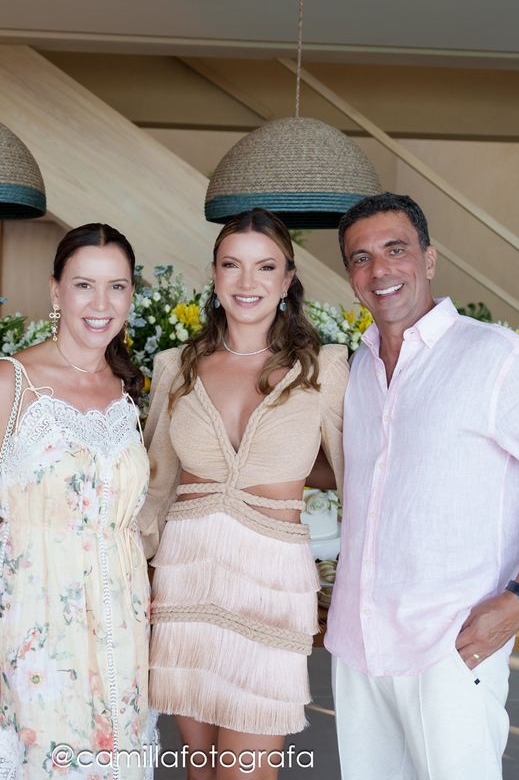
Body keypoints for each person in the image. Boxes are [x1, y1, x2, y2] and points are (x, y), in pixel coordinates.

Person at [325, 193, 519, 780]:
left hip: (451, 644)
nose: (379, 270)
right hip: (360, 641)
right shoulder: (357, 367)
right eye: (361, 258)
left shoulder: (495, 358)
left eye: (396, 250)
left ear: (429, 260)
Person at [0, 223, 156, 778]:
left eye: (117, 286)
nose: (101, 304)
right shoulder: (8, 381)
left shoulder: (126, 387)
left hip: (121, 622)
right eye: (84, 285)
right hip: (34, 622)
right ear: (55, 290)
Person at [142, 208, 347, 778]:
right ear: (214, 275)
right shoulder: (175, 368)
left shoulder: (323, 368)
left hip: (272, 586)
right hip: (186, 582)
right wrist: (133, 575)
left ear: (287, 279)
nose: (247, 281)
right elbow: (156, 487)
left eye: (265, 267)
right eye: (232, 265)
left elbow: (355, 478)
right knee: (200, 770)